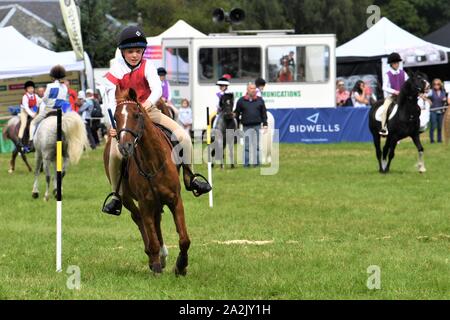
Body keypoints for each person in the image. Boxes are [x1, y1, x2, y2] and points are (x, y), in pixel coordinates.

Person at [102, 26, 211, 215]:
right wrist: (113, 125)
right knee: (114, 155)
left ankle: (190, 177)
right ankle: (116, 195)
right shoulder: (115, 70)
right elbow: (110, 100)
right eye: (130, 51)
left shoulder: (148, 66)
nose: (135, 55)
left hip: (149, 111)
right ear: (123, 52)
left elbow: (157, 90)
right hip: (125, 119)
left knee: (183, 137)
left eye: (138, 51)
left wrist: (145, 105)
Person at [27, 65, 70, 152]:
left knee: (33, 123)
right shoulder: (65, 87)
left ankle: (31, 142)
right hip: (60, 111)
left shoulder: (49, 86)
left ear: (53, 77)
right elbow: (63, 99)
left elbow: (45, 99)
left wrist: (41, 101)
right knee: (68, 125)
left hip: (48, 110)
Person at [234, 82, 268, 167]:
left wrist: (265, 123)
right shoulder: (241, 101)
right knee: (246, 146)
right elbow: (237, 113)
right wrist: (237, 126)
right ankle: (246, 164)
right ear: (247, 90)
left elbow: (264, 113)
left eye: (254, 89)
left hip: (257, 125)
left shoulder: (260, 100)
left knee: (256, 146)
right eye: (251, 89)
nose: (253, 90)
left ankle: (257, 164)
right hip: (246, 126)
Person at [379, 52, 409, 136]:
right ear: (391, 64)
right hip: (392, 97)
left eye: (398, 62)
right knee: (385, 109)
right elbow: (384, 87)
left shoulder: (404, 73)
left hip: (402, 97)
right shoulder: (387, 75)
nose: (397, 64)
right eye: (395, 63)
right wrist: (394, 91)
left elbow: (408, 83)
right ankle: (383, 128)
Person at [17, 81, 39, 150]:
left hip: (32, 110)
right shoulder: (25, 97)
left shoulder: (36, 95)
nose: (31, 90)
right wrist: (32, 115)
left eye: (32, 88)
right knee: (23, 124)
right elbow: (26, 108)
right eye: (29, 88)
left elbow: (40, 101)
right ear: (26, 89)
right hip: (24, 111)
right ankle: (19, 140)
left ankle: (31, 141)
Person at [427, 79, 448, 143]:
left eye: (438, 84)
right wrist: (428, 100)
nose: (436, 86)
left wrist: (445, 100)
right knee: (433, 126)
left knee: (440, 127)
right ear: (433, 85)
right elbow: (422, 95)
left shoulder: (443, 92)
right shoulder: (431, 91)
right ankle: (432, 140)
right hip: (433, 111)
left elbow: (445, 101)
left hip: (441, 111)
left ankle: (439, 140)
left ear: (440, 85)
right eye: (434, 84)